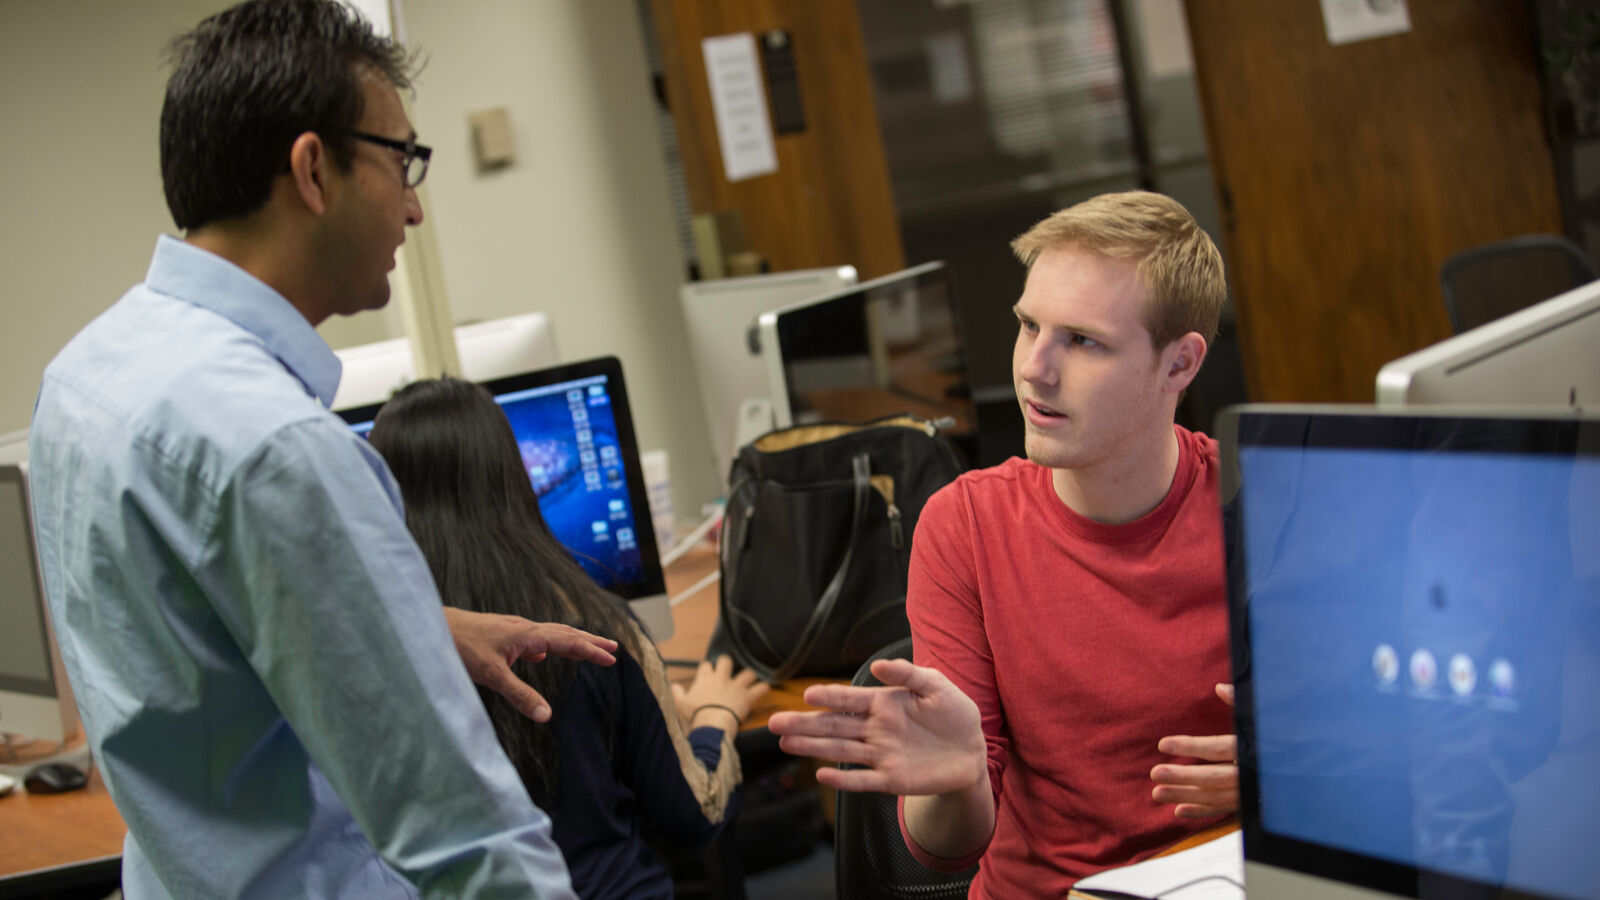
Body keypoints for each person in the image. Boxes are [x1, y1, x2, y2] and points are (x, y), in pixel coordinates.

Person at [27, 1, 616, 896]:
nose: (414, 207)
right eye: (402, 161)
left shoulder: (86, 375)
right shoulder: (280, 448)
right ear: (313, 170)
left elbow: (179, 651)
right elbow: (469, 841)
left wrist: (403, 623)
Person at [768, 191, 1239, 897]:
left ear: (1179, 365)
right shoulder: (965, 526)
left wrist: (1295, 778)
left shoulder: (1258, 504)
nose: (1034, 369)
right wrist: (956, 783)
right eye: (1028, 326)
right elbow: (947, 850)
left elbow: (1396, 750)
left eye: (1082, 340)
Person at [367, 376, 769, 899]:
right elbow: (693, 816)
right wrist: (717, 714)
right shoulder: (594, 625)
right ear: (512, 478)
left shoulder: (374, 646)